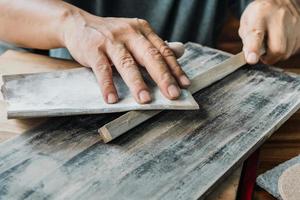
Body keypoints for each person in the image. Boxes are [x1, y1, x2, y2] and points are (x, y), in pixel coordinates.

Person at [0, 0, 299, 104]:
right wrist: (70, 23)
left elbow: (273, 9)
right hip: (43, 86)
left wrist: (281, 7)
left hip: (184, 96)